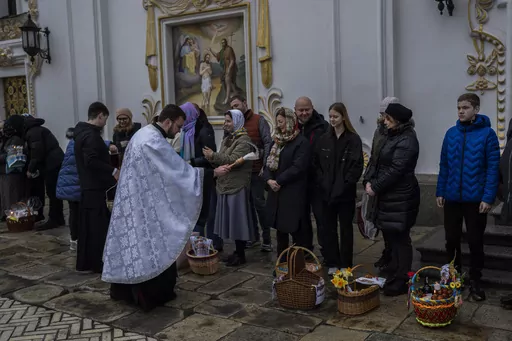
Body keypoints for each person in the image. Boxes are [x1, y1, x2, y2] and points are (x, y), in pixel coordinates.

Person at [103, 104, 229, 312]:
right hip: (146, 206)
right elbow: (176, 172)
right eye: (178, 126)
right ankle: (149, 294)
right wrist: (211, 174)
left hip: (135, 201)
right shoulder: (153, 141)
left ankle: (123, 290)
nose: (179, 131)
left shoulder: (143, 134)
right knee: (151, 246)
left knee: (133, 245)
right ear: (168, 121)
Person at [436, 93, 500, 301]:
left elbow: (492, 169)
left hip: (475, 200)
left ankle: (475, 280)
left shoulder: (487, 135)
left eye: (465, 107)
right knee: (451, 239)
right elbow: (444, 165)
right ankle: (453, 277)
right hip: (452, 198)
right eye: (458, 108)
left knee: (474, 241)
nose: (461, 111)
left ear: (476, 109)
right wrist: (441, 191)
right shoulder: (451, 134)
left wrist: (488, 197)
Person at [363, 103, 420, 296]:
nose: (384, 121)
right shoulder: (390, 135)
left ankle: (403, 277)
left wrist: (376, 186)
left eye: (387, 118)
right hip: (388, 195)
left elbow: (396, 169)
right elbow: (377, 160)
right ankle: (394, 270)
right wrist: (369, 180)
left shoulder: (407, 139)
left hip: (401, 196)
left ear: (397, 120)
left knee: (401, 237)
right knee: (390, 235)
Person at [313, 103, 363, 275]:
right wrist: (323, 183)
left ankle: (346, 263)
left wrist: (345, 184)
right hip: (326, 193)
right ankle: (333, 261)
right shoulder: (324, 139)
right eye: (331, 116)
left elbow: (356, 167)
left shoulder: (353, 139)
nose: (332, 120)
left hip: (345, 194)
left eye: (335, 116)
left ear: (343, 117)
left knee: (346, 229)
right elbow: (317, 164)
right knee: (329, 228)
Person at [203, 109, 254, 266]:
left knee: (238, 221)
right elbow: (221, 159)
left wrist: (213, 156)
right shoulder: (228, 139)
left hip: (237, 186)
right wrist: (212, 159)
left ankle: (241, 254)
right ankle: (236, 252)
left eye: (228, 121)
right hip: (225, 185)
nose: (225, 124)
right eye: (225, 121)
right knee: (230, 222)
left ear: (237, 121)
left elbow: (233, 159)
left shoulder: (244, 141)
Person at [74, 102, 118, 273]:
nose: (105, 123)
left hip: (87, 187)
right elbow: (91, 161)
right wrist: (113, 170)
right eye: (105, 119)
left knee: (87, 228)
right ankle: (96, 263)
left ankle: (86, 262)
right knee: (96, 228)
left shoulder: (81, 133)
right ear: (100, 115)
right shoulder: (91, 136)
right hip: (94, 188)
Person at [263, 107, 310, 256]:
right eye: (277, 122)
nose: (279, 125)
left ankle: (297, 265)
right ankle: (281, 265)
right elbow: (268, 164)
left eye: (281, 122)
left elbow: (298, 166)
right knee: (280, 232)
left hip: (292, 194)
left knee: (296, 232)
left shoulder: (301, 142)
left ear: (290, 121)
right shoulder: (276, 141)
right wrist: (269, 180)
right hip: (277, 194)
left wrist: (279, 181)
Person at [230, 95, 273, 251]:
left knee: (259, 205)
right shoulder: (234, 123)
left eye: (237, 104)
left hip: (257, 170)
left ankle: (267, 239)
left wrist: (266, 164)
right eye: (232, 106)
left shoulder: (258, 120)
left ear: (245, 103)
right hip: (241, 172)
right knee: (246, 206)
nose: (235, 108)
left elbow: (268, 142)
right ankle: (253, 237)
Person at [363, 96, 400, 271]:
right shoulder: (379, 131)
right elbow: (374, 158)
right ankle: (387, 253)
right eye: (380, 113)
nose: (382, 117)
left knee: (394, 228)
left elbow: (396, 164)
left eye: (385, 114)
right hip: (377, 183)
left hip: (391, 186)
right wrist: (368, 178)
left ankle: (394, 257)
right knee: (382, 224)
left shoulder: (400, 133)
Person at [294, 96, 329, 251]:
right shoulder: (292, 127)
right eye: (300, 110)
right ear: (295, 111)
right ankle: (305, 249)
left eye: (306, 109)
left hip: (317, 181)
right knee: (301, 218)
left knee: (322, 219)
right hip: (299, 181)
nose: (304, 113)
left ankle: (327, 250)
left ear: (312, 108)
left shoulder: (323, 127)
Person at [179, 102, 216, 236]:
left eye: (183, 115)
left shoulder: (204, 130)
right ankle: (197, 242)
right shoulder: (186, 131)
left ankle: (212, 243)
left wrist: (191, 162)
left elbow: (210, 156)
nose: (180, 119)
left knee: (208, 211)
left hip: (205, 175)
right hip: (193, 174)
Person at [24, 115, 65, 228]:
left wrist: (30, 169)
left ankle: (55, 218)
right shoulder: (38, 130)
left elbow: (37, 153)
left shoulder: (33, 132)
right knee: (54, 192)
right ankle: (58, 217)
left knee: (52, 192)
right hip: (55, 161)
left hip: (52, 164)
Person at [0, 115, 29, 219]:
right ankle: (6, 214)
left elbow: (11, 156)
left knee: (11, 195)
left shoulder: (15, 139)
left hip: (12, 172)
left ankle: (13, 217)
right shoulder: (6, 139)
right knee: (5, 195)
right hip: (4, 172)